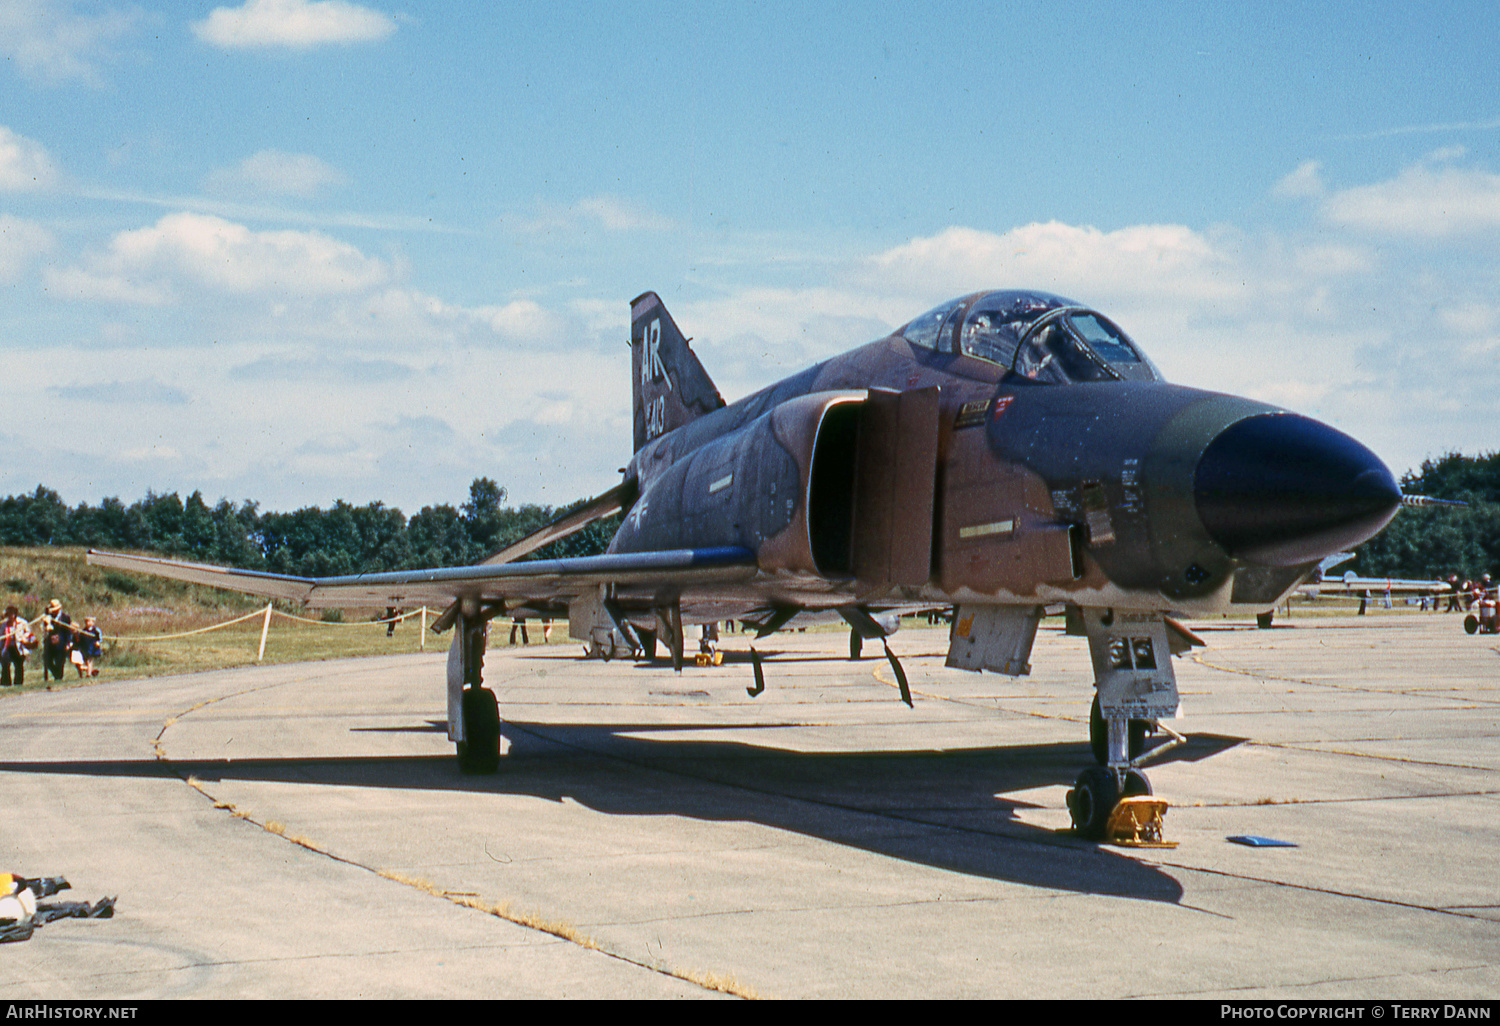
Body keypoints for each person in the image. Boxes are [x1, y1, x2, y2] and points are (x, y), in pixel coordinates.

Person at [38, 599, 73, 683]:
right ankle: (57, 675)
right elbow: (44, 630)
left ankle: (58, 678)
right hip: (50, 643)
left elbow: (68, 631)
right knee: (47, 661)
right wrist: (46, 623)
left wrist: (69, 642)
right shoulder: (48, 617)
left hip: (61, 642)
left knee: (60, 661)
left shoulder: (65, 617)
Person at [1, 606, 35, 687]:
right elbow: (1, 635)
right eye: (8, 614)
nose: (10, 616)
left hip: (19, 646)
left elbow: (28, 633)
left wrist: (24, 638)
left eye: (11, 614)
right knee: (5, 663)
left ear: (15, 614)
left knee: (18, 664)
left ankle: (18, 683)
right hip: (8, 647)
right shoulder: (4, 624)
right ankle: (6, 682)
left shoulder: (22, 622)